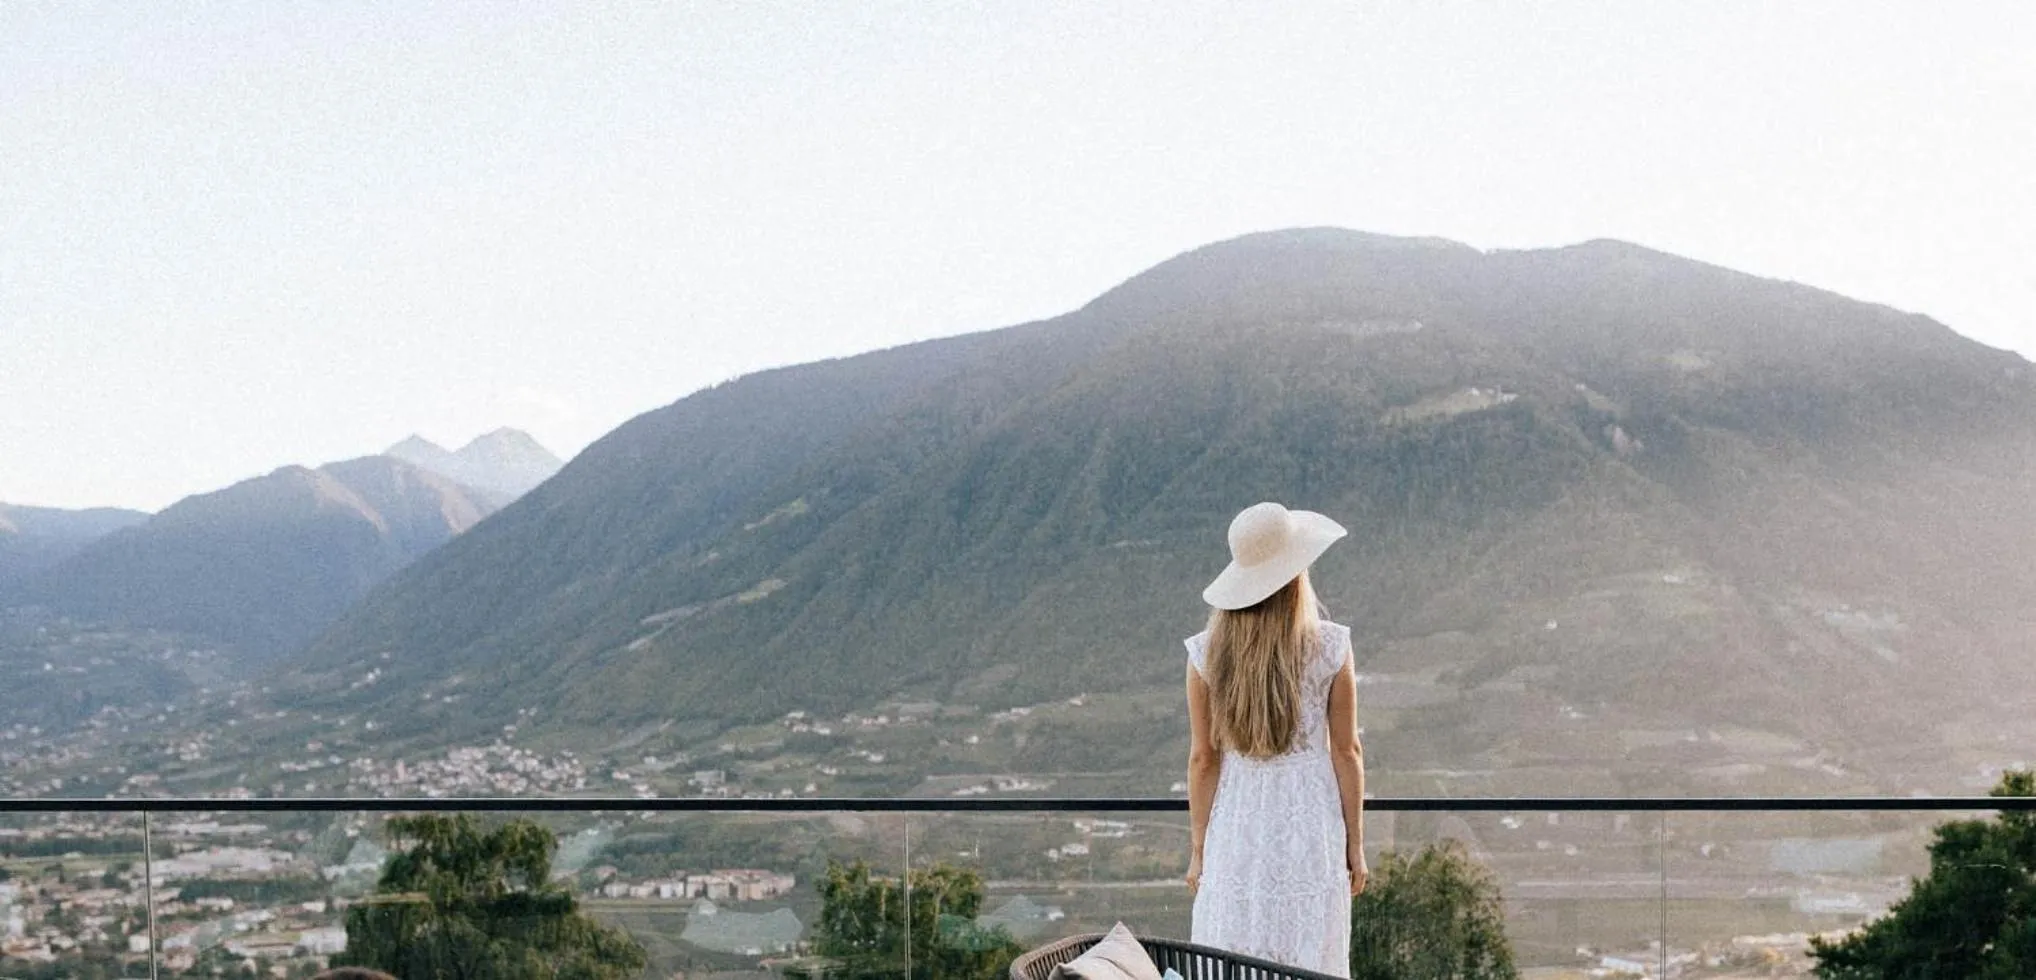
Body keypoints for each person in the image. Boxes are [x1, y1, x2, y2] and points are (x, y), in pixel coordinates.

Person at [1185, 501, 1367, 977]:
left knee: (1233, 944)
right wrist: (1356, 845)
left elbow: (1204, 759)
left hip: (1237, 826)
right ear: (1295, 574)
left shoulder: (1207, 655)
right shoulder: (1330, 647)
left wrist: (1200, 849)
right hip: (1310, 828)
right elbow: (1346, 752)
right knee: (1306, 947)